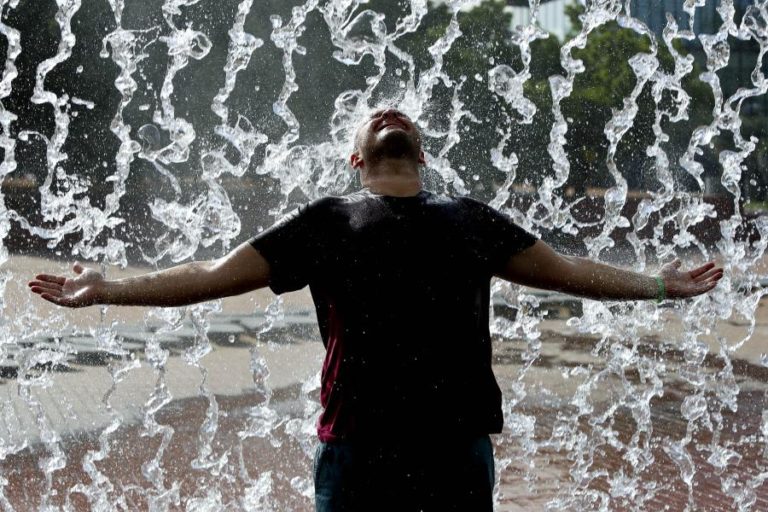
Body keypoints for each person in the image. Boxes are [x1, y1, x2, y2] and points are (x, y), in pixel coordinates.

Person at [28, 108, 723, 512]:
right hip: (356, 450)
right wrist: (108, 286)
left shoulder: (470, 219)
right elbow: (212, 276)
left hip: (455, 450)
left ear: (419, 152)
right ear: (356, 159)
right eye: (375, 120)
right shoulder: (327, 221)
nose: (390, 115)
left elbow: (570, 274)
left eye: (402, 118)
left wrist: (660, 286)